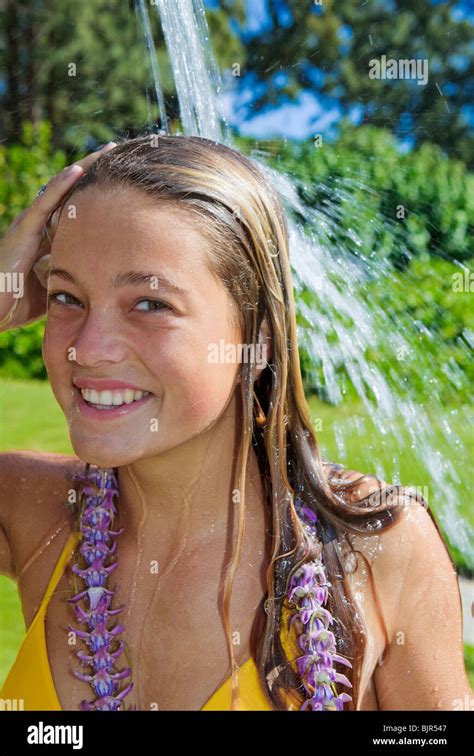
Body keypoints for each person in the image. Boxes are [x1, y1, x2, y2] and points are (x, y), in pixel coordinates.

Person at [0, 135, 470, 711]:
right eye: (67, 296)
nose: (89, 349)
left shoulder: (374, 545)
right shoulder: (33, 509)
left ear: (258, 338)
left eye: (150, 304)